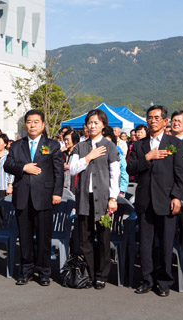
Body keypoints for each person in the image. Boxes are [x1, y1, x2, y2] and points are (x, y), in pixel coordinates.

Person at [127, 105, 183, 297]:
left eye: (157, 118)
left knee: (166, 243)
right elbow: (130, 169)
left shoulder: (174, 143)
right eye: (149, 117)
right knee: (145, 243)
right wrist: (148, 157)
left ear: (165, 121)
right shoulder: (139, 145)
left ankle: (164, 281)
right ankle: (147, 279)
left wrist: (176, 196)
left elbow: (180, 174)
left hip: (166, 200)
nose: (152, 121)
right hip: (145, 200)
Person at [4, 109, 64, 286]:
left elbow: (58, 172)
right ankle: (26, 270)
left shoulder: (52, 145)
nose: (32, 125)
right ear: (25, 124)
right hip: (22, 196)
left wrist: (57, 193)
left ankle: (44, 272)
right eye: (29, 121)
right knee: (24, 236)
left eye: (36, 121)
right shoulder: (16, 145)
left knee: (44, 236)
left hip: (44, 197)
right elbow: (8, 164)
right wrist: (23, 168)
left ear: (43, 124)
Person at [69, 112, 120, 290]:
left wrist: (113, 197)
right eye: (89, 123)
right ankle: (90, 274)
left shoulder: (109, 146)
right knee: (85, 238)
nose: (92, 126)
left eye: (96, 123)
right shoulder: (80, 147)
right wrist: (89, 157)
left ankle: (101, 275)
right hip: (84, 198)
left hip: (104, 200)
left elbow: (115, 174)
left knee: (104, 238)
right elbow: (73, 170)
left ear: (103, 125)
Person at [0, 133, 14, 232]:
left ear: (5, 144)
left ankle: (4, 232)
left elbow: (12, 172)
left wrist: (10, 185)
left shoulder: (8, 156)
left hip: (3, 187)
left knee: (3, 211)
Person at [102, 126, 129, 197]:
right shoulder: (98, 155)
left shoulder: (119, 156)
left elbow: (124, 173)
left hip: (116, 191)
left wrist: (122, 191)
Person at [63, 130, 80, 195]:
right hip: (63, 185)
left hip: (75, 186)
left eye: (68, 140)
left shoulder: (80, 154)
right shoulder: (62, 154)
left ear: (75, 140)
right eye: (65, 140)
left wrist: (70, 167)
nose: (66, 142)